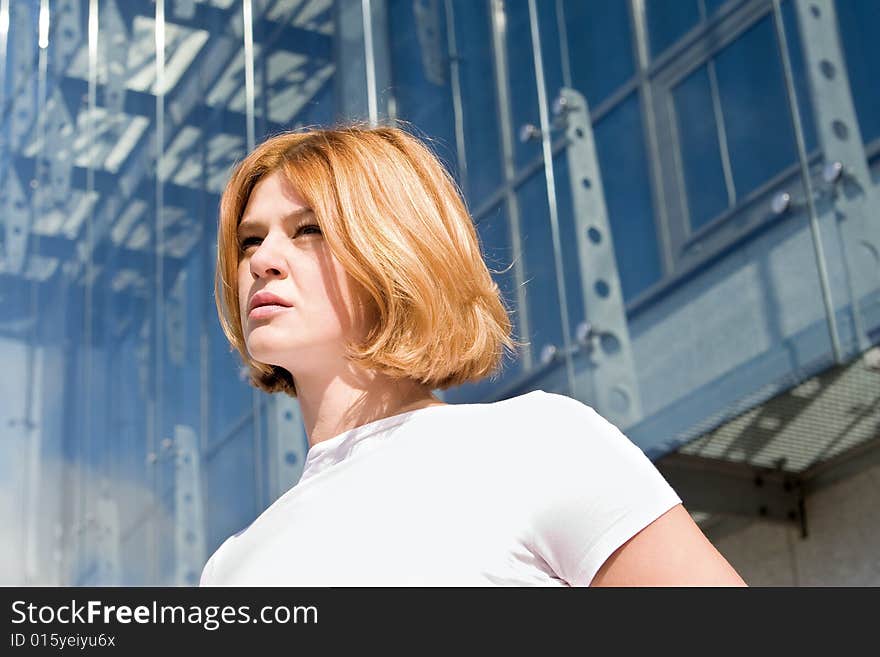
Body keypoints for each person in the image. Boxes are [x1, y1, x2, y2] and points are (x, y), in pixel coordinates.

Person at [201, 123, 746, 587]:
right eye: (250, 241)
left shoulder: (536, 445)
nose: (263, 259)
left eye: (309, 230)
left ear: (395, 253)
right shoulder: (228, 568)